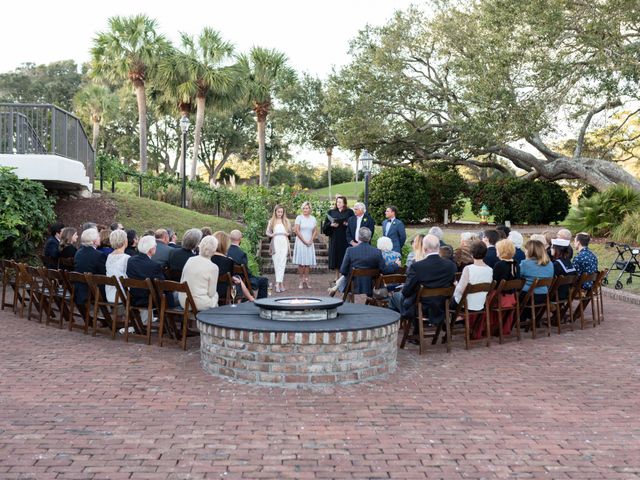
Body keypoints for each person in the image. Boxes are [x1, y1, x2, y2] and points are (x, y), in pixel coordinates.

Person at [389, 234, 457, 330]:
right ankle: (413, 329)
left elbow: (406, 291)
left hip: (421, 308)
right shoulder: (451, 266)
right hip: (442, 306)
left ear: (424, 248)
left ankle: (397, 330)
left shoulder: (417, 267)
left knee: (395, 297)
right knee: (405, 297)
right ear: (438, 248)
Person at [336, 227, 398, 296]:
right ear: (369, 238)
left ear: (358, 237)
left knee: (344, 280)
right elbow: (385, 270)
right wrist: (395, 265)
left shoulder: (350, 251)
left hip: (353, 286)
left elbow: (343, 270)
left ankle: (345, 301)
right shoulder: (377, 252)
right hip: (371, 286)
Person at [126, 235, 172, 311]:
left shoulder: (131, 260)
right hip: (150, 300)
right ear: (150, 249)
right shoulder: (154, 265)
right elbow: (163, 286)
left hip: (134, 298)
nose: (156, 248)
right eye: (155, 246)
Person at [180, 235, 220, 310]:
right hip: (199, 304)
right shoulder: (213, 267)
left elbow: (182, 280)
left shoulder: (190, 260)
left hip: (184, 301)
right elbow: (211, 293)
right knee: (215, 295)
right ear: (214, 250)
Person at [452, 241, 493, 311]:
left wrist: (456, 284)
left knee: (447, 301)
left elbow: (461, 290)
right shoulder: (490, 270)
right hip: (480, 304)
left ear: (471, 254)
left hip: (465, 304)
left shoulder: (468, 269)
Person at [228, 230, 269, 299]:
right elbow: (246, 272)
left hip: (230, 278)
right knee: (264, 280)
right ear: (240, 239)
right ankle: (261, 302)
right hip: (243, 280)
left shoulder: (226, 251)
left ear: (230, 238)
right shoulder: (241, 254)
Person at [323, 195, 354, 278]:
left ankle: (343, 277)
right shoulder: (331, 212)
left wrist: (347, 224)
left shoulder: (349, 212)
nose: (338, 204)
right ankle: (336, 277)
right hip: (335, 237)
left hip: (345, 238)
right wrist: (331, 225)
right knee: (336, 257)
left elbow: (353, 224)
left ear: (344, 203)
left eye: (340, 202)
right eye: (337, 202)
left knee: (344, 256)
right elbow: (325, 226)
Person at [73, 228, 106, 306]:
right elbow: (104, 273)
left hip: (79, 288)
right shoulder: (99, 255)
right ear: (94, 241)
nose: (100, 238)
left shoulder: (78, 252)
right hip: (93, 290)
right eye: (98, 237)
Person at [519, 239, 554, 314]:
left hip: (528, 297)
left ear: (530, 251)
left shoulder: (525, 264)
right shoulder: (550, 264)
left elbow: (517, 276)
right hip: (543, 295)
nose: (525, 252)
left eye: (526, 250)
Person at [266, 205, 291, 293]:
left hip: (284, 242)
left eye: (281, 212)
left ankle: (279, 283)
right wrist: (272, 235)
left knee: (282, 263)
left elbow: (289, 232)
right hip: (275, 242)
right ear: (275, 212)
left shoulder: (286, 221)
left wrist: (287, 234)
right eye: (278, 212)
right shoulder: (271, 221)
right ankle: (278, 283)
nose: (280, 213)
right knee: (276, 263)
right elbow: (267, 232)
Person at [292, 201, 317, 289]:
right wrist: (304, 241)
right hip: (301, 242)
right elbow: (296, 230)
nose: (305, 210)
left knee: (307, 263)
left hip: (309, 242)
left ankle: (307, 279)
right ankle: (301, 280)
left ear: (310, 209)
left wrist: (311, 240)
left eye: (307, 208)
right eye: (304, 208)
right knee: (301, 263)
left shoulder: (313, 218)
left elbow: (315, 231)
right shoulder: (299, 217)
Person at [105, 229, 130, 303]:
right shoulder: (127, 258)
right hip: (122, 294)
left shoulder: (109, 256)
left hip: (109, 294)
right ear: (125, 241)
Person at [212, 231, 237, 301]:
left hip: (207, 290)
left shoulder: (206, 258)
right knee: (238, 284)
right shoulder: (229, 261)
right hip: (223, 292)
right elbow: (231, 278)